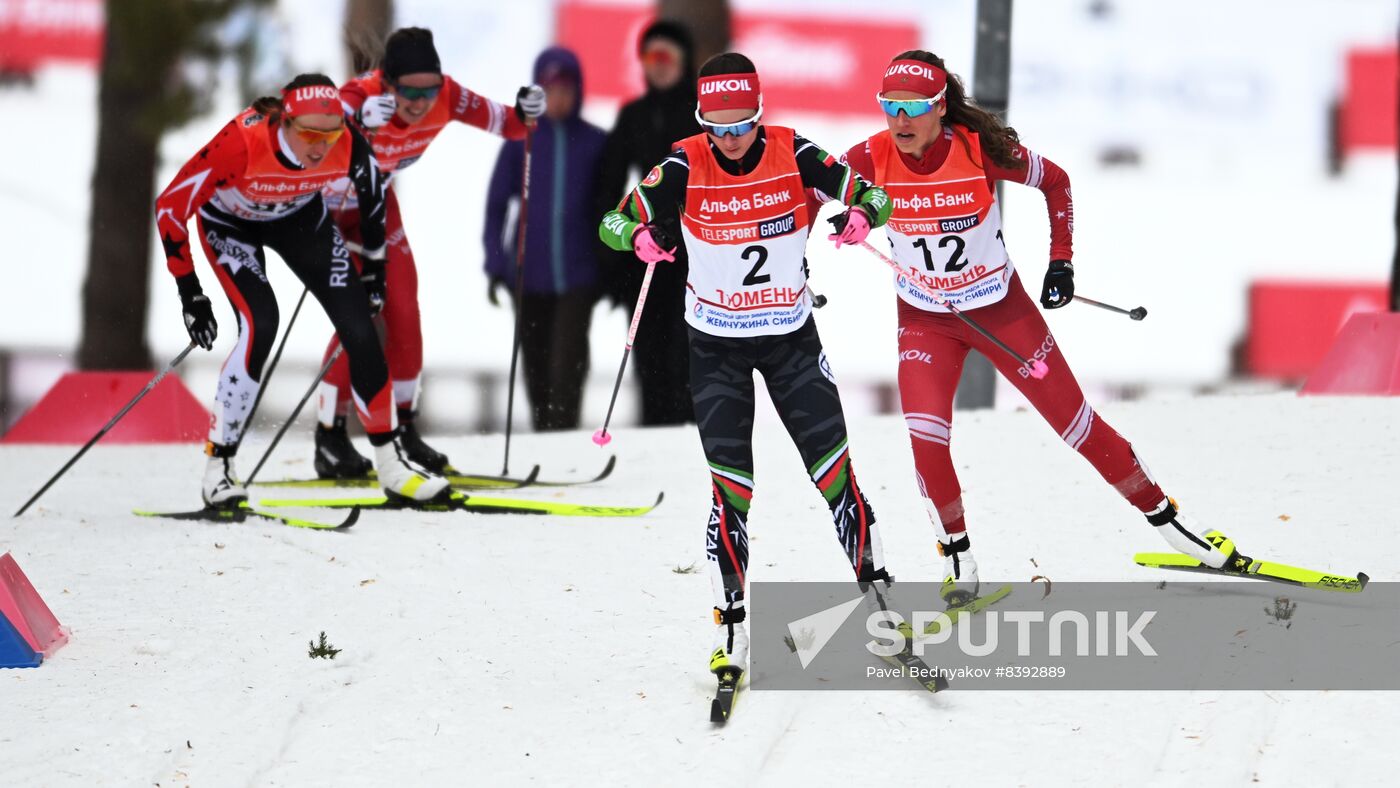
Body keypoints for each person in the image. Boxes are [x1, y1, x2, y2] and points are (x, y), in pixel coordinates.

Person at [842, 50, 1251, 601]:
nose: (901, 120)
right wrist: (834, 225)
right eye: (891, 107)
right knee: (926, 441)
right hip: (925, 322)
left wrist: (1061, 261)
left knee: (1076, 425)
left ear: (940, 106)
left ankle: (1172, 526)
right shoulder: (868, 156)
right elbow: (805, 189)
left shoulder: (977, 149)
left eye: (914, 107)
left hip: (998, 310)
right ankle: (961, 564)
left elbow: (1055, 182)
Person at [599, 53, 896, 680]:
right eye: (719, 127)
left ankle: (881, 600)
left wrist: (863, 214)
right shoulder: (682, 162)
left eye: (742, 125)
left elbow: (870, 192)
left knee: (836, 475)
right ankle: (729, 629)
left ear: (760, 116)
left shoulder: (796, 151)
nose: (731, 139)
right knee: (732, 490)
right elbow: (611, 221)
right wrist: (639, 239)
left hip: (790, 341)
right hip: (715, 348)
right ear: (703, 121)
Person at [154, 73, 449, 506]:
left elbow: (373, 197)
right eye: (309, 133)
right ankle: (219, 469)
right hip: (230, 224)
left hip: (299, 221)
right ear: (284, 122)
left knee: (361, 331)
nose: (319, 146)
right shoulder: (241, 142)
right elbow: (170, 206)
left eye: (329, 136)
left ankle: (391, 467)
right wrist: (190, 292)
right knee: (261, 325)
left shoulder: (346, 142)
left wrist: (374, 270)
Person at [312, 27, 546, 477]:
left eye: (429, 90)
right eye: (408, 91)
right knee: (356, 319)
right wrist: (355, 120)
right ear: (386, 83)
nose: (419, 102)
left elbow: (509, 124)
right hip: (324, 211)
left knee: (404, 310)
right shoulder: (359, 94)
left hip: (377, 210)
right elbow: (310, 132)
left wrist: (526, 110)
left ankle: (404, 430)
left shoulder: (450, 97)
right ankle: (330, 435)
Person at [483, 47, 606, 431]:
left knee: (567, 362)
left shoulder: (595, 143)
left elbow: (610, 206)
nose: (558, 98)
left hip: (578, 276)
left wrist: (608, 264)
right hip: (527, 274)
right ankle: (541, 435)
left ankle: (564, 432)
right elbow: (496, 205)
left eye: (566, 89)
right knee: (535, 361)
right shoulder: (521, 140)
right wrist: (495, 261)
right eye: (550, 89)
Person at [594, 20, 699, 426]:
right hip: (646, 252)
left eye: (666, 56)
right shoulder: (634, 115)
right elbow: (608, 185)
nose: (658, 66)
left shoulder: (701, 114)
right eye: (649, 57)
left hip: (697, 252)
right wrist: (617, 250)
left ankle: (695, 435)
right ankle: (653, 433)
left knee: (688, 352)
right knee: (648, 351)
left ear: (683, 61)